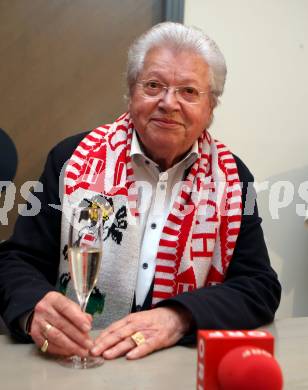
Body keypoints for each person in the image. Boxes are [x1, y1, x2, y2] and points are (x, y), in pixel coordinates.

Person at [0, 22, 281, 360]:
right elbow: (15, 262)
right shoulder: (70, 159)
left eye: (188, 92)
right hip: (74, 359)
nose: (168, 102)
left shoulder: (233, 179)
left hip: (176, 365)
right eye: (153, 85)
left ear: (210, 108)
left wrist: (179, 317)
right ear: (131, 93)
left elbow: (258, 286)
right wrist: (36, 308)